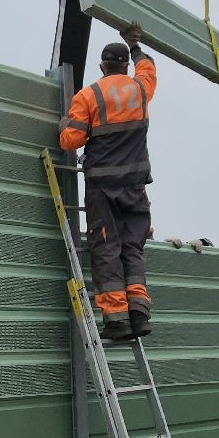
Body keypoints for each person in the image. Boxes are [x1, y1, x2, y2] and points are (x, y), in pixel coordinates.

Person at [58, 26, 158, 341]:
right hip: (136, 186)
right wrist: (136, 45)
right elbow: (149, 68)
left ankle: (116, 320)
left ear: (102, 66)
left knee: (106, 247)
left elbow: (70, 140)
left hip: (103, 185)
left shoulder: (88, 95)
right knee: (133, 246)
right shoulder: (141, 89)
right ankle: (139, 312)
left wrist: (65, 125)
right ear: (126, 66)